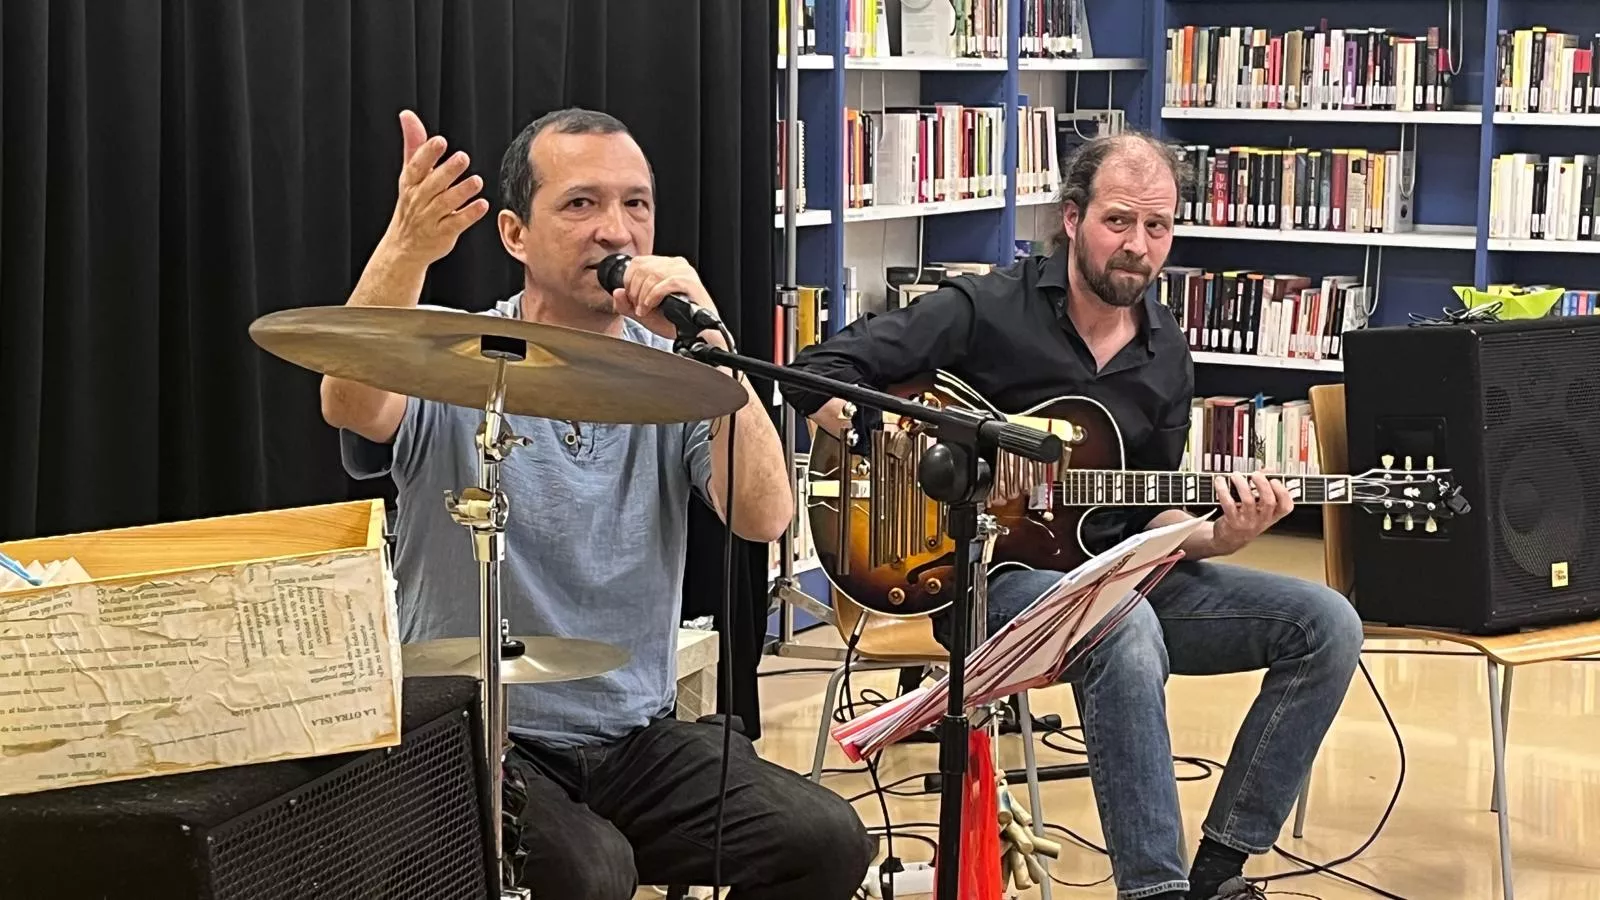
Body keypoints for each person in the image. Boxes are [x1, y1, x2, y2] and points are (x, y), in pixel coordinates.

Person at [783, 131, 1364, 900]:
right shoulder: (986, 308)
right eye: (1118, 221)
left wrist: (1217, 534)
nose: (1138, 246)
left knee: (1327, 624)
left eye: (1157, 227)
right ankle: (1154, 892)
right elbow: (816, 372)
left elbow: (1155, 514)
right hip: (985, 579)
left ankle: (1219, 873)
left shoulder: (1166, 353)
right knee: (1121, 623)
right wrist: (926, 454)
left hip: (1116, 574)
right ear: (1071, 219)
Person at [324, 107, 873, 900]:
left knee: (824, 839)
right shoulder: (450, 353)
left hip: (632, 739)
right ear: (515, 234)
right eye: (581, 203)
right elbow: (348, 399)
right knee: (591, 872)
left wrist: (714, 348)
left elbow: (763, 516)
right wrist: (408, 246)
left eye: (635, 204)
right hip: (477, 736)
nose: (616, 230)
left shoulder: (676, 376)